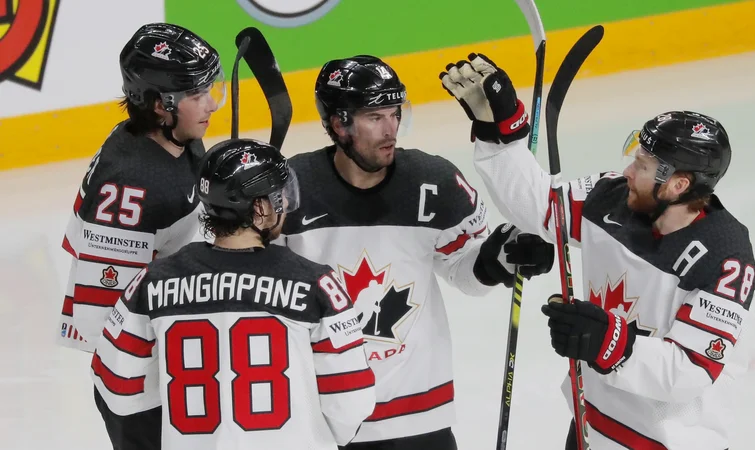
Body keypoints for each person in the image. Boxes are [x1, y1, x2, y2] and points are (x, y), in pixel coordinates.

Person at [441, 53, 755, 449]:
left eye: (641, 165)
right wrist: (499, 132)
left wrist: (611, 341)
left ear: (677, 185)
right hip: (592, 426)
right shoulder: (611, 197)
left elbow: (692, 371)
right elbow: (540, 205)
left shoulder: (725, 257)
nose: (627, 171)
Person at [275, 55, 556, 449]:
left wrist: (499, 259)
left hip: (418, 416)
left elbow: (464, 270)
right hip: (322, 419)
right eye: (375, 117)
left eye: (395, 113)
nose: (391, 129)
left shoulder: (433, 182)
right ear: (338, 123)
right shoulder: (291, 188)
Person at [91, 138, 376, 449]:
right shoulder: (317, 283)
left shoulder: (151, 282)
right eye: (280, 195)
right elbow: (351, 397)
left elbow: (116, 383)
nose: (287, 203)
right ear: (261, 207)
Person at [56, 23, 225, 351]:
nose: (212, 104)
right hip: (137, 357)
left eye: (209, 89)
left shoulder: (174, 136)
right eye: (197, 94)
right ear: (162, 105)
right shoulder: (130, 187)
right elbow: (100, 319)